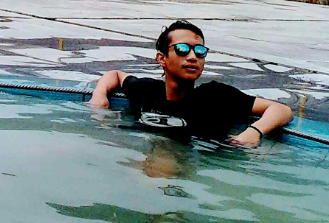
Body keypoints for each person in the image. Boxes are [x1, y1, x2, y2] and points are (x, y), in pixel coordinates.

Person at [88, 19, 293, 145]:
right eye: (183, 49)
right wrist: (99, 97)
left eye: (200, 51)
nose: (193, 56)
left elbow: (282, 110)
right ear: (162, 59)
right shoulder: (148, 91)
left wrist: (254, 131)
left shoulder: (214, 96)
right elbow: (114, 74)